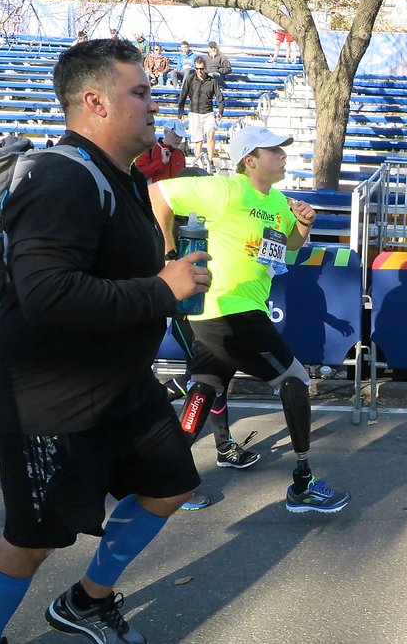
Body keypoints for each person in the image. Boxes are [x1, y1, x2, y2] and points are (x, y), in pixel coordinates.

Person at [0, 38, 211, 644]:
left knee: (172, 482)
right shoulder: (61, 178)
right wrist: (162, 290)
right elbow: (47, 294)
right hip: (51, 400)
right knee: (32, 540)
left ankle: (86, 602)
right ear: (95, 102)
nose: (156, 103)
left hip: (120, 387)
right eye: (141, 92)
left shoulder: (116, 176)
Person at [149, 126, 352, 514]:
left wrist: (305, 224)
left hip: (226, 311)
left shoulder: (277, 200)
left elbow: (288, 247)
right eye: (274, 150)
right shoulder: (226, 190)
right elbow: (157, 193)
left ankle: (165, 479)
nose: (283, 154)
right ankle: (303, 484)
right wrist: (169, 252)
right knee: (295, 379)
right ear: (250, 159)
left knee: (204, 388)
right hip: (229, 310)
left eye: (283, 149)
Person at [177, 56, 224, 173]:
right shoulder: (190, 79)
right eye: (197, 69)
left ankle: (210, 160)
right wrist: (180, 112)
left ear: (205, 68)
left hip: (208, 112)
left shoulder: (212, 81)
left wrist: (220, 111)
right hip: (194, 113)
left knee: (210, 134)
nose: (199, 71)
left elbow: (220, 97)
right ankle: (198, 164)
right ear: (195, 68)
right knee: (198, 141)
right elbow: (182, 96)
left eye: (202, 69)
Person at [135, 118, 187, 183]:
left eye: (181, 136)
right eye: (176, 135)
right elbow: (139, 173)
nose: (179, 139)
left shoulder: (179, 153)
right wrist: (162, 163)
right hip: (153, 191)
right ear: (165, 132)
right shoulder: (149, 148)